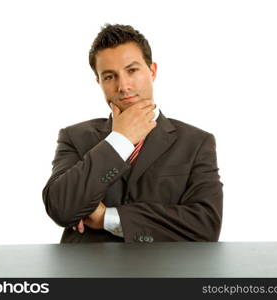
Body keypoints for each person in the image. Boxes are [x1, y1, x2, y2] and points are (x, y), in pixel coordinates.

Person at [42, 24, 223, 243]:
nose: (123, 86)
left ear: (152, 71)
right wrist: (120, 140)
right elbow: (62, 208)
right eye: (109, 76)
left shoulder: (196, 142)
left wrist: (106, 218)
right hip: (88, 273)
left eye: (132, 70)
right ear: (98, 81)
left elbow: (205, 226)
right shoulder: (74, 137)